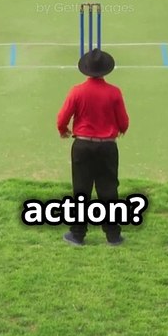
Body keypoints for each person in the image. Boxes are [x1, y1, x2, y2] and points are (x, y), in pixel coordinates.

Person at [57, 48, 129, 247]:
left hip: (82, 145)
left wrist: (63, 130)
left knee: (81, 189)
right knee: (109, 189)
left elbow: (62, 118)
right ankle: (113, 235)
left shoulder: (77, 91)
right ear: (105, 70)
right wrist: (119, 130)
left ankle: (78, 234)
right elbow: (124, 122)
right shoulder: (114, 92)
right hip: (107, 147)